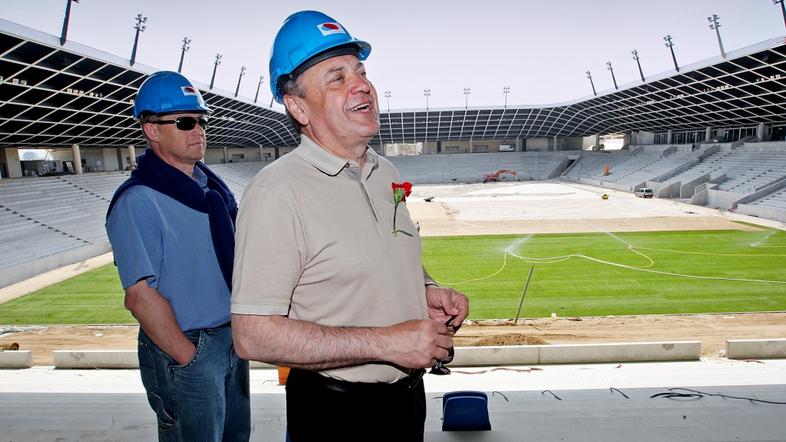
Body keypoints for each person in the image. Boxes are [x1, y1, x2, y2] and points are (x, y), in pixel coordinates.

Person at [231, 11, 469, 441]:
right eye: (336, 77)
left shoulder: (385, 173)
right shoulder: (276, 193)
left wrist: (427, 290)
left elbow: (391, 253)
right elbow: (252, 336)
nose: (361, 85)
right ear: (298, 106)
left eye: (360, 72)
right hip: (335, 413)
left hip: (407, 402)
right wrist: (385, 344)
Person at [105, 71, 250, 442]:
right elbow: (139, 295)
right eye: (185, 122)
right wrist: (190, 358)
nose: (198, 129)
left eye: (201, 120)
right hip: (187, 347)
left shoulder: (211, 191)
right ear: (152, 130)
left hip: (230, 340)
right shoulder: (138, 199)